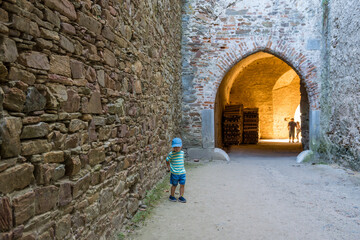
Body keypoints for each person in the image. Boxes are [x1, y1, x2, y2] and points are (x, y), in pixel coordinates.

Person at [166, 138, 187, 203]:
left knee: (182, 185)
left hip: (182, 173)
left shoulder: (182, 153)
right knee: (174, 185)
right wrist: (169, 167)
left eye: (178, 147)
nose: (176, 149)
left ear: (181, 146)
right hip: (174, 173)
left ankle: (181, 196)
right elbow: (167, 160)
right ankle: (172, 196)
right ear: (172, 147)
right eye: (175, 147)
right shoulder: (171, 154)